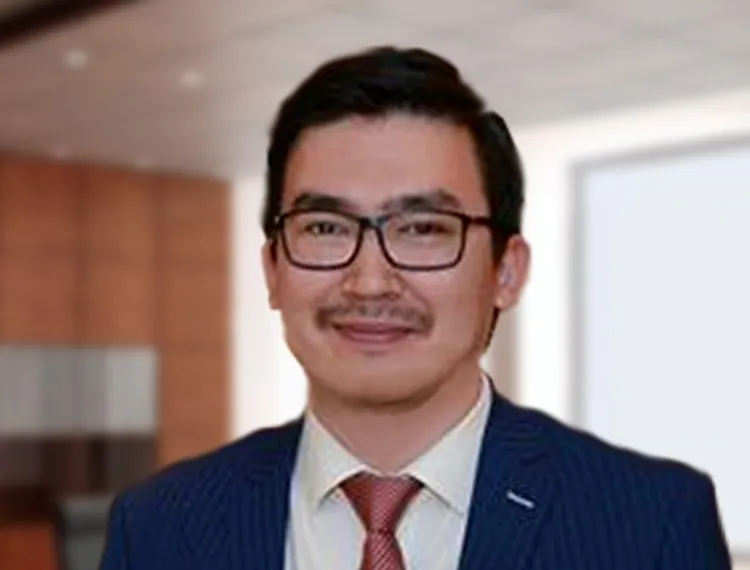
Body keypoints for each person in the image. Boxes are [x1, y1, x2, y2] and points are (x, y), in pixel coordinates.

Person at [99, 46, 731, 570]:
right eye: (325, 228)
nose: (370, 282)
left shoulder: (651, 523)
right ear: (272, 270)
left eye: (423, 229)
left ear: (506, 272)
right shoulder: (160, 527)